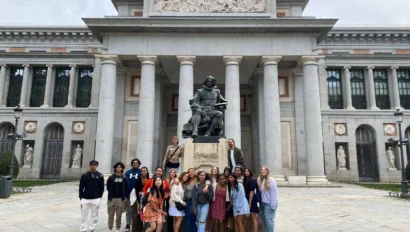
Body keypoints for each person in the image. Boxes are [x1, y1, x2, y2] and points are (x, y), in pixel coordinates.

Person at [79, 160, 104, 232]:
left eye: (95, 165)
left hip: (95, 199)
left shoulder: (100, 175)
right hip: (85, 198)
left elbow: (101, 187)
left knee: (94, 215)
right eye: (92, 164)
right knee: (84, 215)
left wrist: (99, 196)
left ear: (97, 166)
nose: (93, 166)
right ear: (90, 165)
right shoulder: (85, 175)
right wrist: (81, 197)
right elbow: (81, 187)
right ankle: (83, 229)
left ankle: (91, 228)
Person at [107, 162, 129, 232]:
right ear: (115, 168)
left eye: (120, 167)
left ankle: (118, 228)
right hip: (111, 198)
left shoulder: (124, 177)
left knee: (119, 215)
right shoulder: (111, 177)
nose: (118, 168)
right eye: (117, 167)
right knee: (111, 215)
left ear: (122, 169)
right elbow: (108, 187)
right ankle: (110, 228)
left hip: (120, 199)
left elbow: (126, 186)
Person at [258, 166, 278, 232]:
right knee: (265, 222)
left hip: (269, 204)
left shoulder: (271, 180)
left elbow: (274, 193)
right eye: (262, 170)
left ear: (267, 172)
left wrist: (273, 206)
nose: (263, 171)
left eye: (265, 170)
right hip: (263, 204)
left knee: (269, 222)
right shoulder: (261, 180)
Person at [124, 158, 142, 232]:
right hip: (128, 194)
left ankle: (138, 226)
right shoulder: (127, 173)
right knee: (129, 210)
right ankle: (128, 225)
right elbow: (124, 183)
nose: (135, 164)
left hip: (138, 195)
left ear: (139, 164)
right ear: (132, 164)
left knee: (138, 211)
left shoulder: (141, 172)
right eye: (134, 163)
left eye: (137, 163)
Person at [244, 168, 260, 232]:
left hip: (251, 200)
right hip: (247, 199)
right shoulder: (246, 180)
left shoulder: (252, 180)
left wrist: (249, 203)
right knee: (250, 218)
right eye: (245, 171)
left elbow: (251, 192)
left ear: (250, 172)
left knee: (253, 218)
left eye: (247, 171)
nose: (246, 172)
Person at [134, 167, 149, 232]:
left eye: (145, 171)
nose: (143, 172)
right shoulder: (138, 179)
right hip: (140, 198)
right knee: (140, 212)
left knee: (146, 212)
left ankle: (146, 227)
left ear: (147, 172)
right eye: (142, 171)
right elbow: (136, 190)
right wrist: (138, 200)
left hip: (147, 198)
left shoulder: (149, 179)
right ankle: (140, 228)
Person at [184, 168, 198, 232]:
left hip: (195, 201)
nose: (191, 173)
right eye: (189, 172)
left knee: (194, 218)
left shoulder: (198, 180)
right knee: (187, 219)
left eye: (192, 171)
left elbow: (207, 180)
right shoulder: (187, 180)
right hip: (187, 200)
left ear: (195, 172)